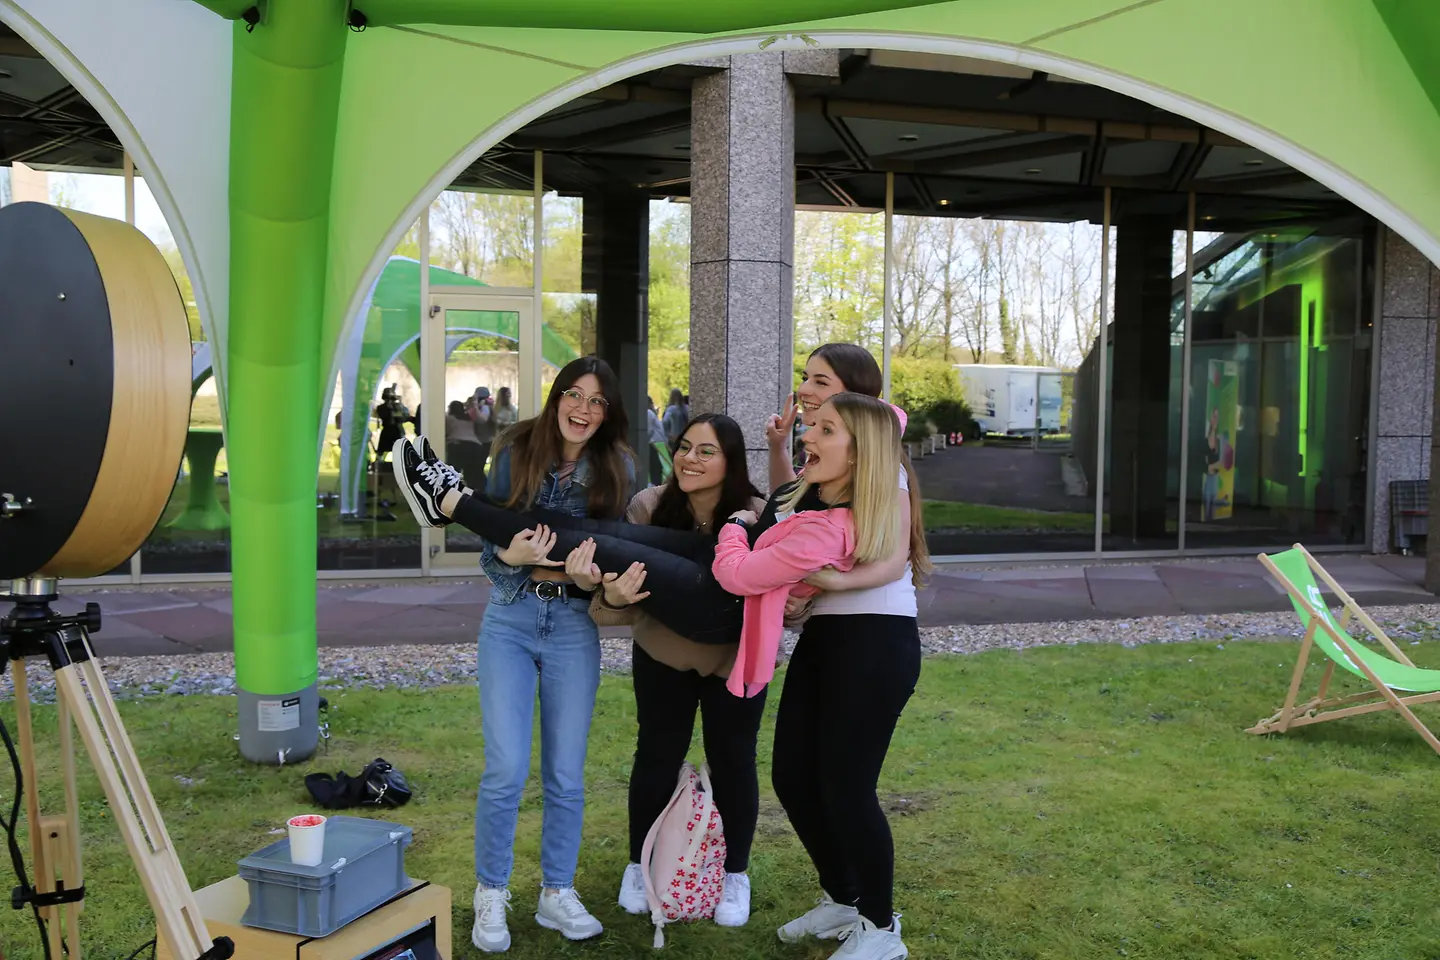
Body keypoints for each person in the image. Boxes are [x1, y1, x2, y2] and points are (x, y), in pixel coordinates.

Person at [393, 356, 633, 954]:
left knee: (565, 776)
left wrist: (586, 578)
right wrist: (510, 559)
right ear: (557, 399)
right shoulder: (517, 449)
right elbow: (493, 554)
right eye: (574, 395)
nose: (583, 410)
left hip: (574, 625)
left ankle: (556, 892)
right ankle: (491, 892)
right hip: (512, 621)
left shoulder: (617, 467)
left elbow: (609, 556)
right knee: (504, 771)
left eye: (597, 402)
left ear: (609, 412)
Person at [725, 391, 924, 960]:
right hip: (826, 640)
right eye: (812, 425)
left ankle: (882, 930)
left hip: (875, 644)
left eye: (825, 428)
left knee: (846, 788)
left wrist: (829, 585)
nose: (808, 434)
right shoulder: (821, 497)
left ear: (861, 452)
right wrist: (802, 598)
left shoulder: (886, 488)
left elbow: (893, 559)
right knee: (791, 775)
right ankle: (844, 896)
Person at [590, 414, 766, 927]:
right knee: (657, 754)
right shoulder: (649, 507)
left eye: (706, 451)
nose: (690, 458)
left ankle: (735, 874)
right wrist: (609, 595)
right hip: (663, 654)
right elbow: (620, 592)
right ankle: (637, 863)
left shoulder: (757, 515)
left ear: (730, 460)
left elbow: (776, 597)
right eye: (685, 447)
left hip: (733, 661)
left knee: (733, 759)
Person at [446, 399, 487, 491]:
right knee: (474, 473)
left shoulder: (449, 419)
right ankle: (478, 491)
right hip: (476, 446)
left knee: (453, 472)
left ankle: (453, 491)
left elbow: (446, 432)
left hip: (458, 445)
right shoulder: (469, 419)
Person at [644, 396, 668, 484]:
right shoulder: (651, 413)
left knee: (656, 466)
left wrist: (643, 442)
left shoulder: (648, 413)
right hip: (659, 443)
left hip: (655, 443)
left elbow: (648, 430)